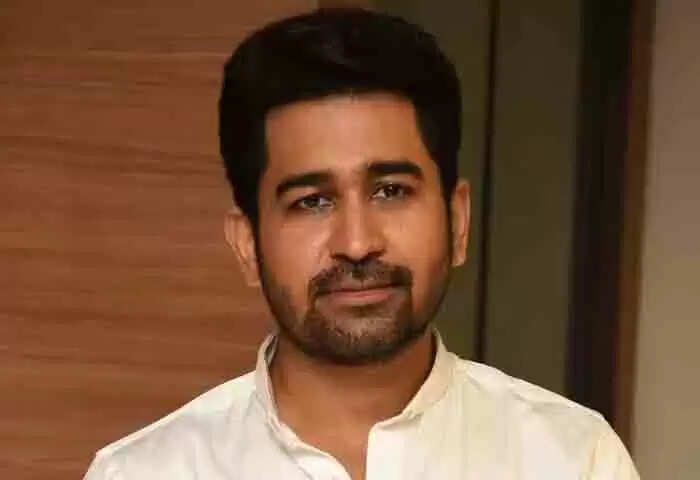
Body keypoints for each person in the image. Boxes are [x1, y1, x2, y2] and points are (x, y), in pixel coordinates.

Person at [84, 7, 639, 480]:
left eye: (391, 191)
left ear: (458, 220)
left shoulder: (573, 459)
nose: (356, 242)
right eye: (311, 201)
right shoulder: (145, 473)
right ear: (248, 243)